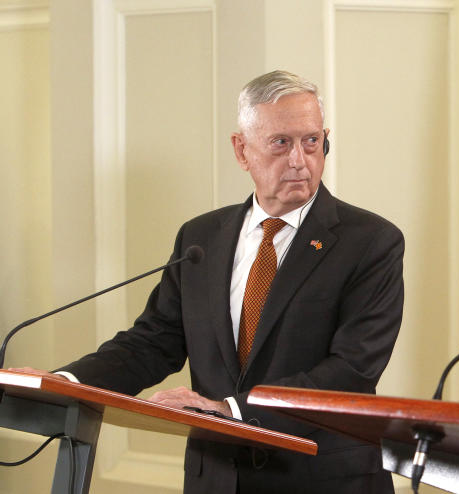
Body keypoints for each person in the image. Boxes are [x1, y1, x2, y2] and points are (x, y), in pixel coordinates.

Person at [14, 70, 403, 493]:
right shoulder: (200, 239)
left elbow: (352, 371)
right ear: (241, 150)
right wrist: (64, 383)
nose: (299, 160)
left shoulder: (371, 242)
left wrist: (229, 409)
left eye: (311, 141)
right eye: (280, 142)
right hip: (216, 477)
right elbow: (152, 343)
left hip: (321, 479)